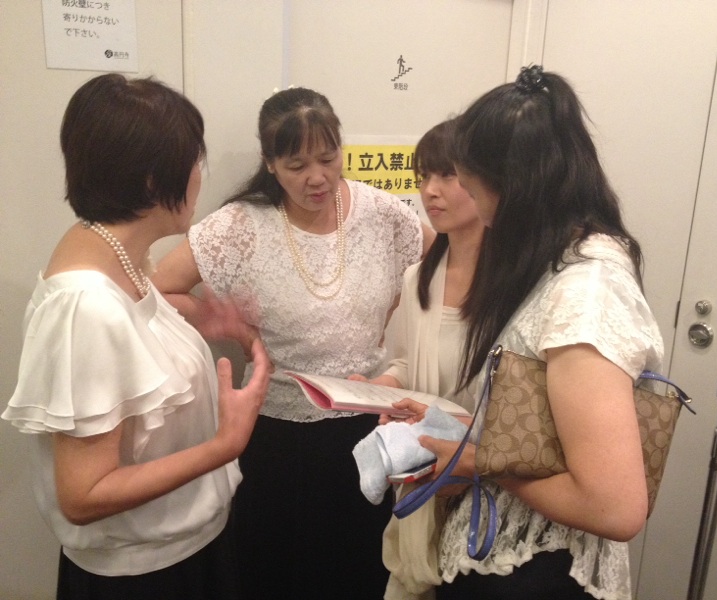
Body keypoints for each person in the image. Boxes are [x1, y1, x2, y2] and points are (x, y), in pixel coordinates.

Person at [387, 65, 664, 600]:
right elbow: (540, 426)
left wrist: (479, 461)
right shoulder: (554, 263)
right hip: (506, 555)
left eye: (472, 190)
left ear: (516, 189)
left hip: (537, 573)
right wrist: (461, 428)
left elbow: (614, 505)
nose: (472, 206)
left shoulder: (585, 294)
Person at [152, 86, 435, 599]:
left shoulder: (381, 212)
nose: (317, 177)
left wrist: (391, 316)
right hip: (276, 435)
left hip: (366, 428)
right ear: (270, 163)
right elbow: (155, 290)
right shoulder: (242, 225)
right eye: (297, 165)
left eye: (328, 158)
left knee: (361, 573)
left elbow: (441, 262)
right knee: (276, 576)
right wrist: (231, 328)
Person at [1, 73, 272, 600]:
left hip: (185, 546)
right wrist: (226, 444)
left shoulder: (110, 251)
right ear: (152, 182)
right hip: (146, 576)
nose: (199, 176)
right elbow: (84, 494)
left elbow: (131, 341)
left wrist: (199, 318)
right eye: (194, 161)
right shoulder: (86, 307)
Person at [355, 118, 486, 599]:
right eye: (424, 176)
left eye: (448, 175)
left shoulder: (516, 283)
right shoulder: (419, 278)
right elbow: (407, 363)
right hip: (429, 465)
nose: (430, 190)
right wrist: (377, 390)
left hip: (490, 471)